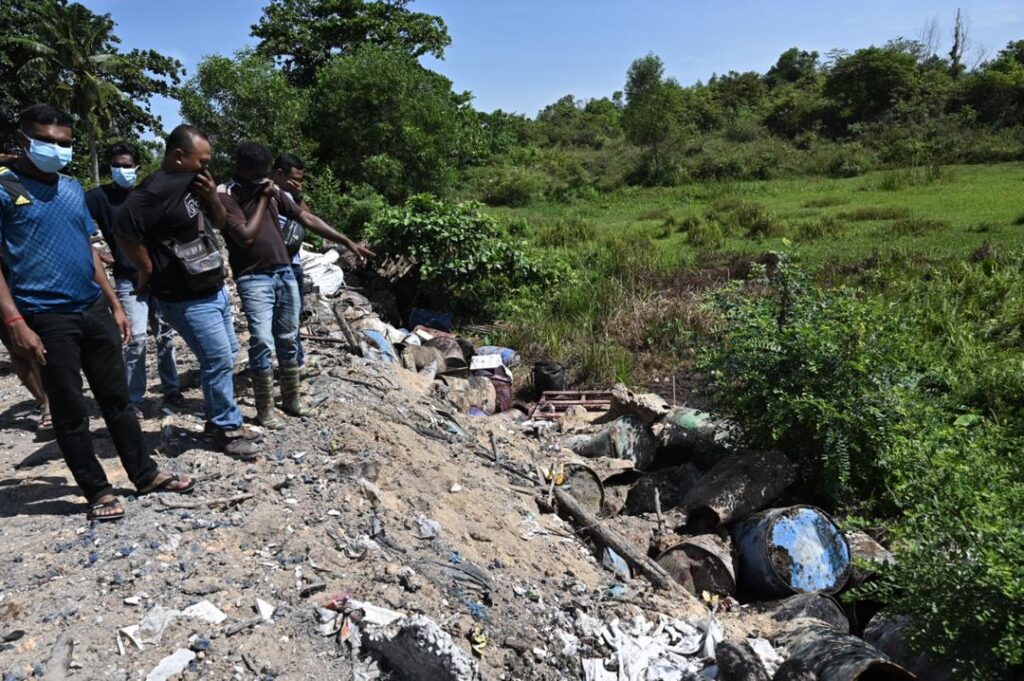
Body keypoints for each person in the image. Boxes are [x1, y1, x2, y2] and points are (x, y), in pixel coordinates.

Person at [0, 104, 195, 521]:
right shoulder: (3, 187)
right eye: (47, 141)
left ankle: (145, 475)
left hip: (92, 308)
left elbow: (88, 249)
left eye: (64, 142)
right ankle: (98, 490)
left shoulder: (71, 188)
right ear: (23, 140)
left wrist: (114, 305)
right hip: (46, 316)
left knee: (117, 399)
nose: (56, 148)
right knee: (70, 411)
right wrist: (15, 321)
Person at [115, 125, 258, 458]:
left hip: (213, 287)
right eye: (201, 160)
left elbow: (220, 224)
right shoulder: (152, 192)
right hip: (185, 297)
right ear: (178, 156)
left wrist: (210, 197)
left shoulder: (194, 184)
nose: (206, 167)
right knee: (218, 358)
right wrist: (146, 268)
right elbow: (123, 231)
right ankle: (225, 428)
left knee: (227, 354)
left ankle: (216, 418)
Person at [220, 143, 373, 428]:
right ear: (241, 170)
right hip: (254, 278)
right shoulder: (227, 193)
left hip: (285, 273)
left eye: (265, 175)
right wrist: (265, 197)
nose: (263, 180)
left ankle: (292, 402)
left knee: (289, 338)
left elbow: (305, 217)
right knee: (263, 341)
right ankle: (265, 410)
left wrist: (346, 241)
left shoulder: (272, 190)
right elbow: (244, 238)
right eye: (258, 174)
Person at [85, 143, 183, 417]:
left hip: (159, 278)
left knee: (165, 335)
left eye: (127, 165)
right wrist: (100, 254)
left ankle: (171, 387)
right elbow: (77, 225)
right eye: (117, 165)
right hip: (129, 279)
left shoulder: (147, 194)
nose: (122, 170)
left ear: (137, 168)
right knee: (136, 338)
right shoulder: (98, 197)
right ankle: (135, 398)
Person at [270, 153, 376, 369]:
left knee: (294, 318)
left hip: (294, 265)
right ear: (279, 174)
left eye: (301, 180)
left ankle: (294, 362)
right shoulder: (267, 195)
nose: (298, 184)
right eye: (295, 180)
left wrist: (297, 195)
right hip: (274, 268)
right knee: (283, 320)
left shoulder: (290, 197)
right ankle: (286, 366)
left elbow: (308, 218)